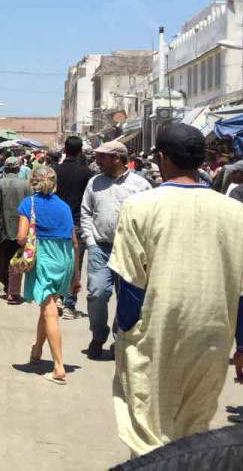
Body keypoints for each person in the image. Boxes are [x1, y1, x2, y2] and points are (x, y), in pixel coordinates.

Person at [109, 123, 243, 457]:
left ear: (162, 159)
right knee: (193, 433)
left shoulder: (140, 206)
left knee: (149, 429)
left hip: (156, 334)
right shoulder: (235, 211)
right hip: (212, 337)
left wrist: (123, 329)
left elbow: (130, 286)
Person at [80, 140, 152, 359]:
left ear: (118, 159)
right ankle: (98, 335)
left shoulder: (141, 185)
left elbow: (150, 217)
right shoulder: (94, 183)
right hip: (100, 247)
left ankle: (119, 338)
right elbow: (86, 213)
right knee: (98, 293)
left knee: (127, 298)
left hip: (130, 250)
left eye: (102, 157)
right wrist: (91, 242)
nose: (97, 161)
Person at [18, 166, 79, 384]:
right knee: (48, 305)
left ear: (31, 181)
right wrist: (76, 277)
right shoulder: (64, 206)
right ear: (54, 182)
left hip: (43, 258)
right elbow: (74, 241)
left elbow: (20, 236)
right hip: (65, 259)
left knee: (50, 310)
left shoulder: (28, 204)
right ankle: (37, 351)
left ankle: (59, 367)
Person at [52, 136, 93, 320]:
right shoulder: (86, 173)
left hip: (56, 223)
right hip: (77, 222)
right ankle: (69, 305)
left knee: (59, 262)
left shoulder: (55, 171)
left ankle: (58, 298)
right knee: (75, 264)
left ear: (64, 150)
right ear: (80, 152)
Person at [0, 157, 32, 304]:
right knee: (17, 260)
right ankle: (13, 289)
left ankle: (10, 289)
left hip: (4, 230)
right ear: (18, 168)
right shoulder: (27, 186)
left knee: (4, 261)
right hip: (22, 229)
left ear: (5, 169)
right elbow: (32, 208)